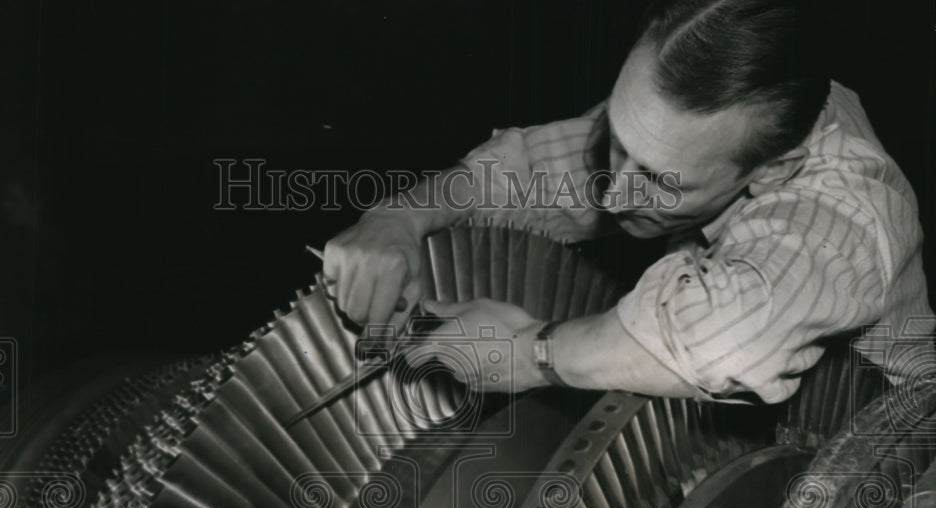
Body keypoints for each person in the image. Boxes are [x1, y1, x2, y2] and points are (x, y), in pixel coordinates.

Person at [322, 0, 933, 404]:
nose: (614, 190)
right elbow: (532, 170)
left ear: (774, 172)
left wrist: (534, 351)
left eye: (660, 179)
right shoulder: (695, 128)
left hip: (888, 466)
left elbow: (731, 337)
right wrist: (399, 217)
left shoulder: (844, 214)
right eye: (617, 138)